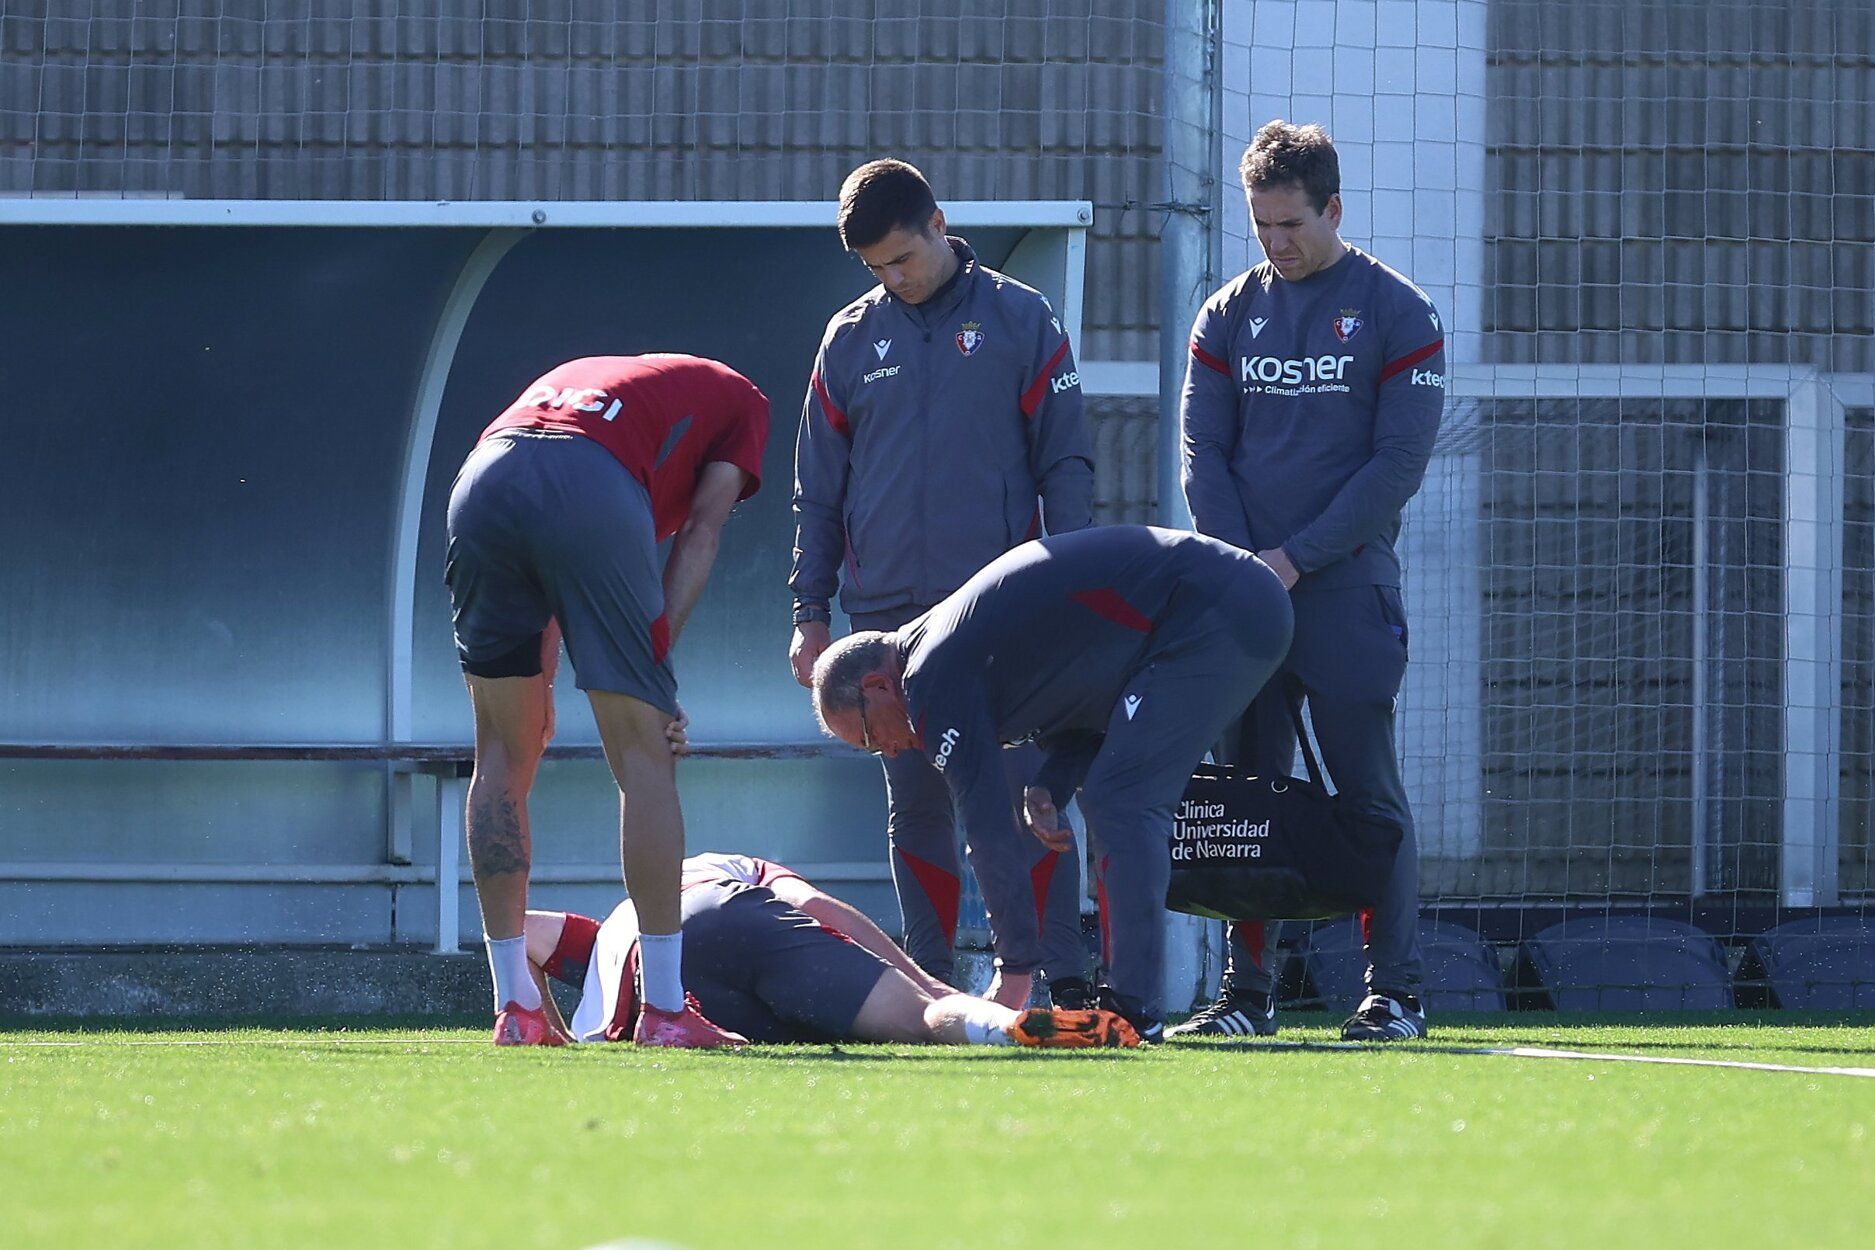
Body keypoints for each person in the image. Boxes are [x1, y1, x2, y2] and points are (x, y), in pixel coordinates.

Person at [789, 158, 1097, 1007]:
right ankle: (931, 986)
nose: (894, 278)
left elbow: (1065, 460)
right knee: (916, 801)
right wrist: (809, 611)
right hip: (885, 616)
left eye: (902, 258)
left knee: (1022, 797)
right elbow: (817, 489)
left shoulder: (1018, 316)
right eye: (876, 268)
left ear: (937, 224)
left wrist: (1063, 584)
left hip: (998, 615)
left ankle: (1059, 987)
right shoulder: (849, 338)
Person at [1174, 120, 1446, 1043]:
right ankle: (1245, 998)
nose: (1276, 243)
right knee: (1242, 796)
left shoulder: (1397, 312)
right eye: (1260, 227)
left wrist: (1293, 560)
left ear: (1333, 208)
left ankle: (1392, 992)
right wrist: (1246, 564)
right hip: (1244, 595)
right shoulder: (1223, 315)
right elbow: (1201, 452)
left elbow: (1394, 466)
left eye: (1290, 223)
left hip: (1342, 592)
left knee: (1367, 795)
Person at [810, 525, 1293, 1043]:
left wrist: (1015, 970)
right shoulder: (941, 654)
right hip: (1219, 606)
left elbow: (988, 828)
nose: (888, 751)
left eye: (868, 737)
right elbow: (1091, 704)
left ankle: (1132, 1013)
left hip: (1219, 609)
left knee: (1120, 798)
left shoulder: (927, 677)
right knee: (1113, 792)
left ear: (877, 685)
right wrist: (1049, 786)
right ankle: (1133, 1005)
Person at [445, 353, 769, 1048]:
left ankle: (516, 1008)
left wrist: (548, 667)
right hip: (585, 480)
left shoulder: (596, 381)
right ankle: (663, 1012)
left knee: (501, 750)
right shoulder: (743, 400)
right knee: (642, 751)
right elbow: (701, 530)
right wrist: (656, 676)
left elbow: (542, 524)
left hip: (482, 478)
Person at [520, 852, 1139, 1050]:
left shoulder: (609, 937)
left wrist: (549, 1028)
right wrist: (927, 983)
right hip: (728, 914)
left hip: (658, 1006)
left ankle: (999, 1028)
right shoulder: (739, 867)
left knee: (811, 1027)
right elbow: (819, 910)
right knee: (919, 1018)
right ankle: (1003, 1024)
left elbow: (520, 930)